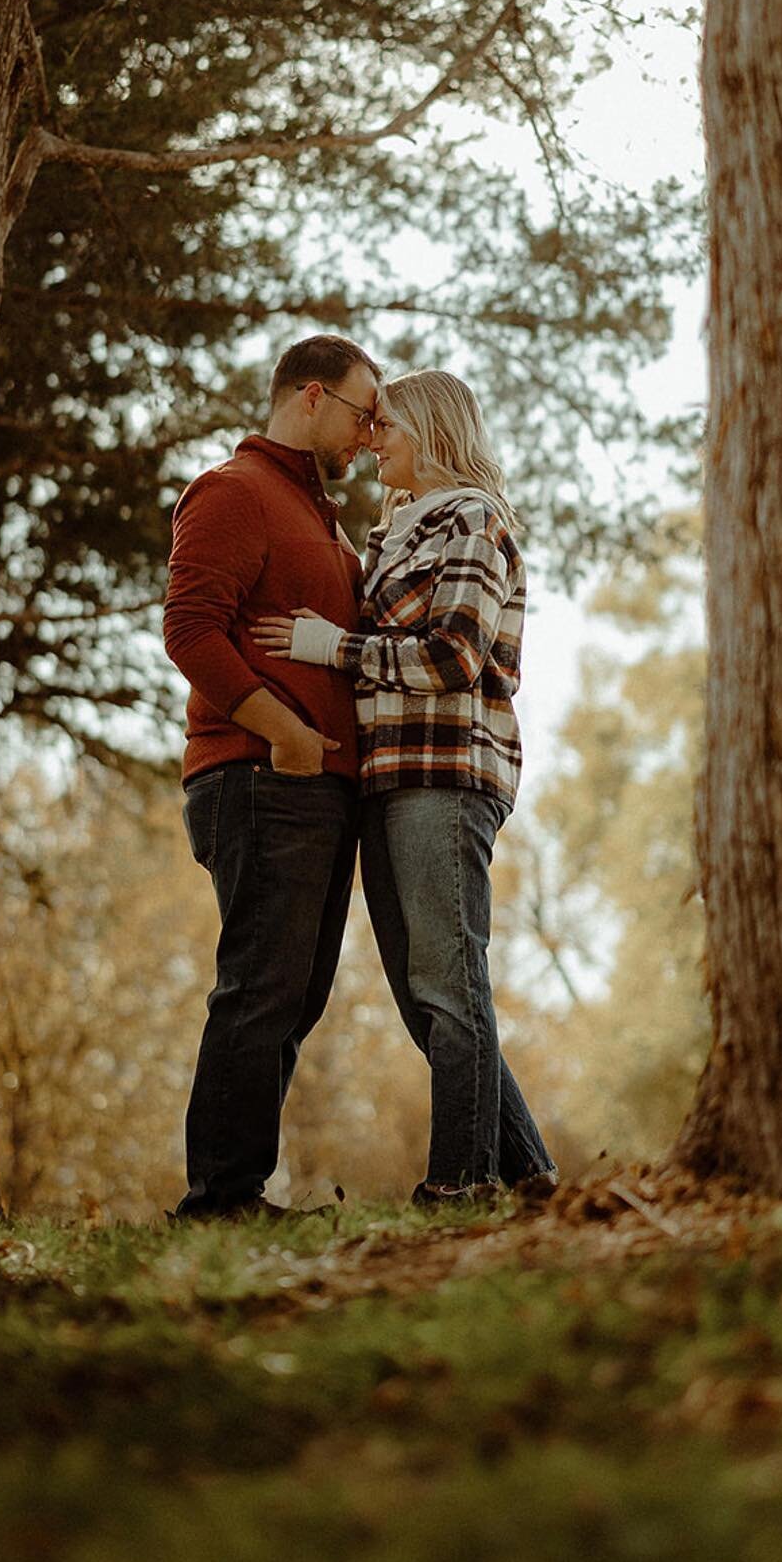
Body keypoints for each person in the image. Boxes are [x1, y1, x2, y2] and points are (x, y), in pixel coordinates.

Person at [253, 369, 557, 1204]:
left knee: (449, 988)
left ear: (430, 431)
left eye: (386, 425)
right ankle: (531, 1181)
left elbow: (455, 657)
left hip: (447, 773)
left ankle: (461, 1186)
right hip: (386, 780)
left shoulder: (474, 519)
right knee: (429, 997)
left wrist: (333, 649)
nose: (370, 437)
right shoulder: (391, 533)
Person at [162, 334, 381, 1221]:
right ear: (312, 396)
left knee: (294, 996)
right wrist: (286, 733)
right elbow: (189, 631)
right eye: (364, 415)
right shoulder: (233, 491)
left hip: (318, 791)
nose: (369, 437)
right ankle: (219, 1198)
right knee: (260, 989)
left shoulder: (319, 516)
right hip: (258, 778)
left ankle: (238, 1189)